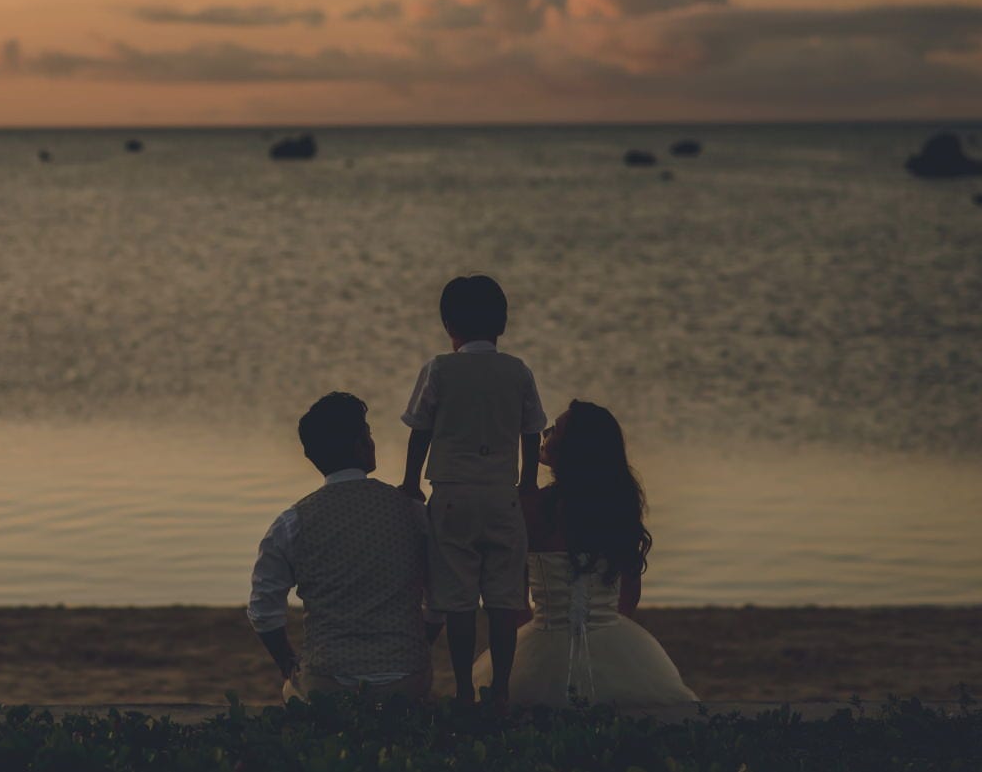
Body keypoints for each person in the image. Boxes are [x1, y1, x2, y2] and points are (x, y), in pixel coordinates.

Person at [473, 400, 697, 709]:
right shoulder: (618, 507)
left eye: (554, 430)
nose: (544, 435)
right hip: (611, 635)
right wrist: (608, 640)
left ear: (572, 449)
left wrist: (532, 640)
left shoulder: (532, 509)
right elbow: (629, 592)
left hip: (543, 637)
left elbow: (512, 595)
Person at [398, 274, 547, 710]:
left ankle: (464, 688)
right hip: (503, 495)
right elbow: (532, 431)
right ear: (501, 324)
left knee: (457, 600)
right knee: (504, 599)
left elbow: (419, 431)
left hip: (452, 493)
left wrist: (410, 482)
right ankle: (499, 689)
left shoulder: (440, 369)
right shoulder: (517, 371)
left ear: (449, 325)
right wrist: (530, 482)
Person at [248, 392, 442, 702]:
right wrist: (418, 645)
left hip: (328, 684)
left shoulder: (292, 522)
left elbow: (263, 611)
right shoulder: (412, 512)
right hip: (405, 681)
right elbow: (439, 598)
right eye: (368, 434)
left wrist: (288, 664)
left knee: (294, 691)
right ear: (360, 445)